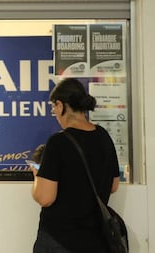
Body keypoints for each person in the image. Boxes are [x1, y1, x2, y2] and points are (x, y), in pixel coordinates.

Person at [31, 78, 120, 253]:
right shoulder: (103, 136)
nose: (55, 113)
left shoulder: (58, 142)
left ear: (61, 105)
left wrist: (36, 177)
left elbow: (45, 198)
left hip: (59, 240)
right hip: (96, 241)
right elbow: (114, 185)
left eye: (54, 108)